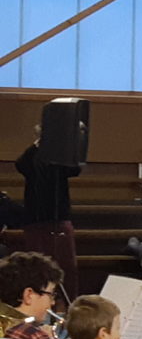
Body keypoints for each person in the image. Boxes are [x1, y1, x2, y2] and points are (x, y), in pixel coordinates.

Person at [13, 123, 80, 298]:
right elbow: (20, 165)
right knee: (37, 266)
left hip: (59, 216)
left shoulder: (60, 156)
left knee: (66, 266)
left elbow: (75, 168)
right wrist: (40, 143)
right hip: (35, 217)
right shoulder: (32, 156)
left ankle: (64, 305)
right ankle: (36, 302)